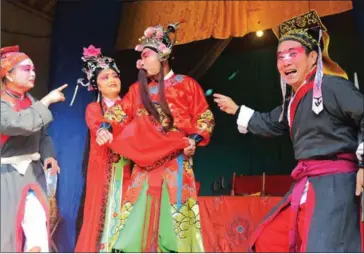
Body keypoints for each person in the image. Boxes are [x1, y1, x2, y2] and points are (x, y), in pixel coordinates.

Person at [214, 10, 363, 252]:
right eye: (280, 56)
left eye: (293, 54)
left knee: (323, 247)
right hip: (307, 182)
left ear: (313, 57)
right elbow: (272, 122)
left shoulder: (334, 86)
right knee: (270, 239)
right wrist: (237, 110)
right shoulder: (293, 101)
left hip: (334, 183)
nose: (285, 61)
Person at [95, 22, 215, 252]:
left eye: (146, 55)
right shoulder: (137, 91)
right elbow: (119, 112)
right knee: (134, 219)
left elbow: (204, 117)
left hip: (175, 161)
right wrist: (104, 127)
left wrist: (194, 140)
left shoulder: (186, 85)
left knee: (175, 220)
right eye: (140, 57)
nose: (140, 62)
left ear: (163, 55)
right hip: (144, 163)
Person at [0, 45, 67, 252]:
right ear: (8, 75)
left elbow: (42, 134)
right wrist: (47, 101)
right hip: (5, 175)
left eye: (34, 69)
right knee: (7, 234)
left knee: (37, 230)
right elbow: (19, 124)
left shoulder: (32, 102)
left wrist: (49, 156)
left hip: (32, 174)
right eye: (26, 69)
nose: (33, 73)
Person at [73, 45, 131, 252]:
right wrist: (103, 132)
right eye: (105, 77)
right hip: (103, 167)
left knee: (128, 211)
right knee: (100, 212)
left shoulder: (132, 106)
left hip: (129, 168)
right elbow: (97, 125)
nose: (112, 80)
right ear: (96, 85)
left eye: (114, 75)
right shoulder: (94, 109)